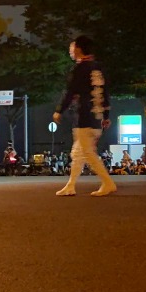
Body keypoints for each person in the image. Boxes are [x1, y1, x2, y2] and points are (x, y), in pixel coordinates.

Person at [53, 35, 117, 197]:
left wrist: (59, 110)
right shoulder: (98, 68)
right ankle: (70, 185)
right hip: (97, 117)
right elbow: (105, 93)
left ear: (79, 49)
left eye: (72, 47)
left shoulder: (80, 68)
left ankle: (108, 183)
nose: (70, 51)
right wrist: (106, 115)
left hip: (84, 116)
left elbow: (70, 91)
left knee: (87, 152)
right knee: (77, 153)